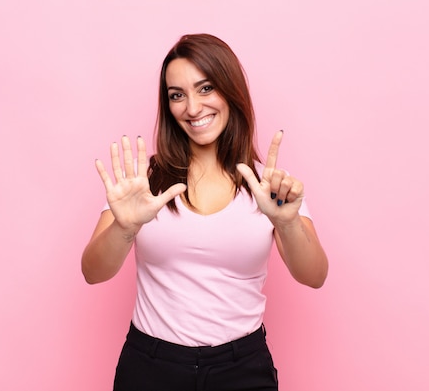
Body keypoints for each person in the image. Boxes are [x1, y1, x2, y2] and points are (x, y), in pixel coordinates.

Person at [82, 33, 328, 391]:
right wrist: (124, 227)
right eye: (177, 95)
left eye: (206, 88)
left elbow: (314, 276)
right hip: (151, 367)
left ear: (231, 91)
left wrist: (286, 223)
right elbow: (93, 272)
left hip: (242, 368)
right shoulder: (142, 184)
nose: (192, 108)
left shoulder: (269, 187)